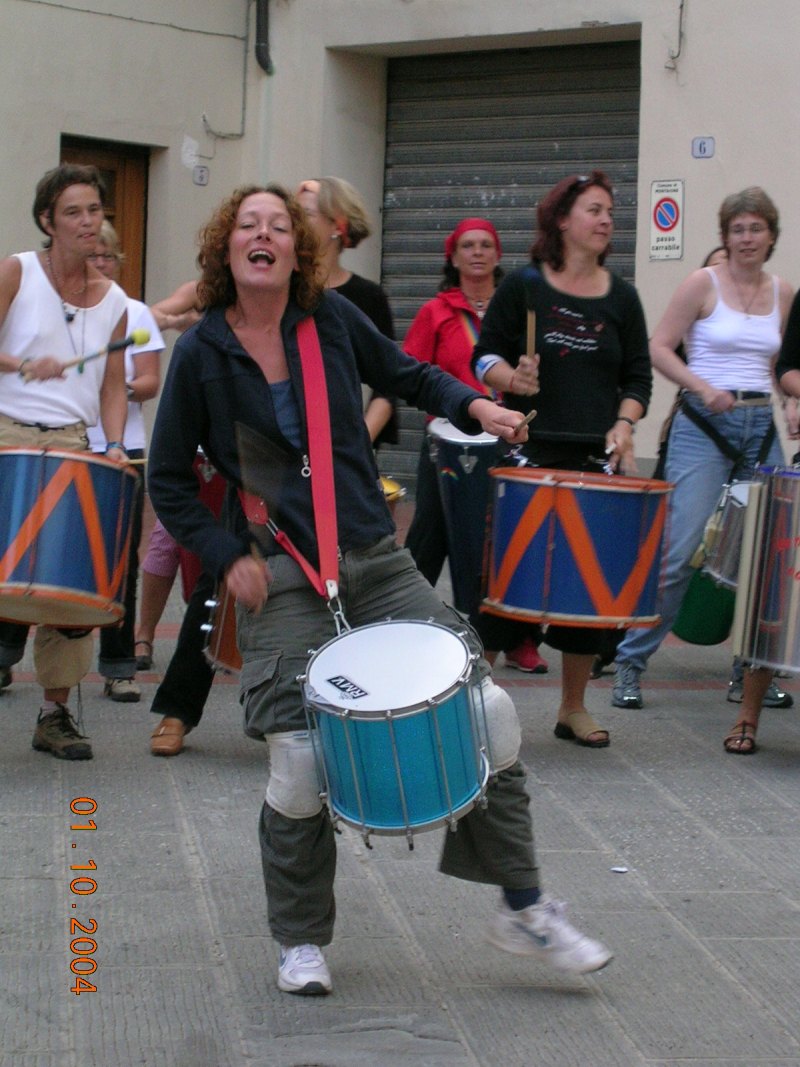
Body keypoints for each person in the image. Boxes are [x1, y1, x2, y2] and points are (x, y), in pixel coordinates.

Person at [147, 182, 612, 994]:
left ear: (300, 249)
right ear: (228, 250)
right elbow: (167, 480)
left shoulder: (327, 320)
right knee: (296, 759)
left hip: (371, 554)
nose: (264, 234)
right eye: (248, 226)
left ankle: (524, 904)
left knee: (490, 711)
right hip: (283, 567)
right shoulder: (202, 353)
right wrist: (226, 555)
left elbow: (410, 374)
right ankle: (300, 938)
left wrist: (479, 403)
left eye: (279, 226)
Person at [472, 170, 652, 748]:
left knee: (585, 592)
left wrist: (624, 425)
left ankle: (572, 708)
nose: (605, 221)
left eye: (609, 212)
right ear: (563, 220)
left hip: (594, 462)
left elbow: (638, 378)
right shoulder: (525, 288)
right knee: (511, 582)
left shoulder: (621, 297)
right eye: (595, 210)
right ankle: (472, 700)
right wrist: (511, 378)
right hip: (531, 451)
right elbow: (483, 359)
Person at [611, 186, 793, 755]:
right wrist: (703, 386)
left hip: (761, 425)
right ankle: (630, 662)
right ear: (725, 236)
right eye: (737, 229)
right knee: (679, 547)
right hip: (704, 424)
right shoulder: (701, 285)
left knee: (768, 558)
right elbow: (660, 348)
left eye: (756, 229)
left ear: (771, 235)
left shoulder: (783, 293)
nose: (746, 239)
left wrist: (790, 400)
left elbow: (788, 365)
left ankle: (750, 674)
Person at [0, 163, 128, 759]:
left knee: (71, 591)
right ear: (48, 219)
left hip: (76, 443)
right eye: (73, 211)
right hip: (8, 434)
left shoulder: (116, 302)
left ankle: (54, 717)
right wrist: (23, 366)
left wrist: (116, 446)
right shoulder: (18, 272)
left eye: (94, 210)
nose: (86, 221)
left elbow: (112, 387)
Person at [403, 217, 548, 673]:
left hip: (508, 439)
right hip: (448, 444)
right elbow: (410, 374)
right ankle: (406, 626)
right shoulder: (435, 312)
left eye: (487, 244)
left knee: (512, 542)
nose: (478, 252)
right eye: (468, 245)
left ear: (499, 254)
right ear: (453, 255)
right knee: (430, 538)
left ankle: (520, 640)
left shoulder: (518, 309)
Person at [86, 220, 164, 702]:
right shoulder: (62, 309)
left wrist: (113, 386)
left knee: (120, 562)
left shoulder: (135, 312)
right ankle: (8, 655)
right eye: (92, 255)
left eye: (107, 256)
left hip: (123, 448)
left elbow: (150, 382)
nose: (99, 263)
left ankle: (118, 666)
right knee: (41, 552)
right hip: (71, 443)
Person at [295, 176, 397, 448]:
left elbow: (387, 386)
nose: (294, 224)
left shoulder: (368, 297)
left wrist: (357, 445)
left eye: (305, 214)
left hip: (343, 447)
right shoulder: (279, 290)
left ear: (336, 226)